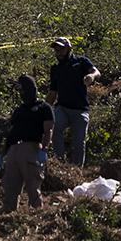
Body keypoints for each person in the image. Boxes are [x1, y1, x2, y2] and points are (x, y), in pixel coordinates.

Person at [1, 76, 54, 212]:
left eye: (23, 90)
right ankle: (9, 215)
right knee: (10, 187)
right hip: (13, 150)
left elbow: (48, 130)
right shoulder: (19, 110)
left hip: (31, 148)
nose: (21, 93)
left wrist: (44, 150)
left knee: (33, 186)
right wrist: (2, 154)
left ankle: (37, 215)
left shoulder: (43, 107)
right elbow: (10, 133)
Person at [47, 37, 100, 166]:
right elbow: (53, 93)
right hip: (62, 108)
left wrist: (91, 77)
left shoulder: (81, 62)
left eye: (61, 49)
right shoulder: (55, 69)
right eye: (56, 49)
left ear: (69, 49)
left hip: (80, 109)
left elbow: (96, 72)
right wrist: (44, 108)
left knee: (78, 142)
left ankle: (77, 170)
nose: (58, 52)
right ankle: (59, 163)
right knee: (55, 128)